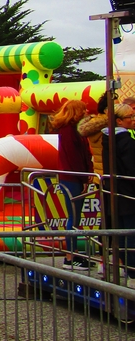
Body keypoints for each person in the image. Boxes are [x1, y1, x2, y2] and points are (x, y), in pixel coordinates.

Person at [50, 99, 94, 269]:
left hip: (73, 175)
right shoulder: (69, 131)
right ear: (77, 111)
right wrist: (84, 176)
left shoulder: (71, 130)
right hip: (72, 176)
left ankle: (73, 253)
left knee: (75, 216)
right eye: (84, 109)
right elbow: (75, 157)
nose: (86, 111)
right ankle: (70, 256)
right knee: (73, 216)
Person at [102, 103, 135, 284]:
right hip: (128, 193)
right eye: (129, 116)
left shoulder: (106, 139)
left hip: (114, 192)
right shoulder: (127, 141)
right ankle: (132, 273)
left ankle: (125, 268)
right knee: (130, 235)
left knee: (121, 234)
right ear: (120, 120)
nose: (133, 119)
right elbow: (131, 167)